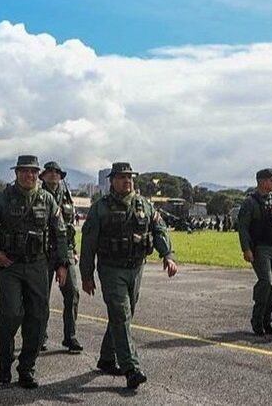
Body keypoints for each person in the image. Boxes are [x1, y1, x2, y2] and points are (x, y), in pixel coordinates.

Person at [0, 155, 70, 389]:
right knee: (11, 314)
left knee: (38, 317)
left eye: (33, 172)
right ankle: (5, 362)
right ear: (16, 173)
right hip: (11, 265)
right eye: (24, 171)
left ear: (38, 175)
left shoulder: (47, 200)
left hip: (38, 264)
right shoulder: (4, 198)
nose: (29, 175)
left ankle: (27, 368)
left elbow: (60, 234)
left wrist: (62, 264)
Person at [80, 162, 177, 390]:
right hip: (111, 269)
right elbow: (88, 244)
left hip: (136, 268)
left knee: (123, 315)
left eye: (130, 177)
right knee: (121, 314)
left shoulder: (144, 205)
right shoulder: (100, 208)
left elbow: (159, 230)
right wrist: (86, 275)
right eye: (122, 177)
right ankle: (131, 368)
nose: (127, 181)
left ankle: (106, 358)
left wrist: (167, 255)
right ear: (112, 181)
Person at [237, 168, 272, 337]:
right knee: (266, 282)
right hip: (261, 249)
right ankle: (257, 320)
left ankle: (267, 321)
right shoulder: (250, 203)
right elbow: (243, 228)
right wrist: (246, 249)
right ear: (262, 182)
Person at [39, 161, 82, 354]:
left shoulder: (67, 196)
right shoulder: (37, 195)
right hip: (43, 252)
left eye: (57, 172)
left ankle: (70, 336)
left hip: (65, 251)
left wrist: (73, 250)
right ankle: (40, 336)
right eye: (49, 172)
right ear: (43, 176)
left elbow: (70, 227)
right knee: (41, 297)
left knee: (72, 293)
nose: (53, 175)